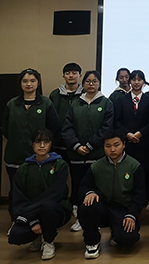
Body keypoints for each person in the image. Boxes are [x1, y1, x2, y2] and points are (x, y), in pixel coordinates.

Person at [78, 128, 144, 259]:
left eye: (116, 145)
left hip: (123, 209)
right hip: (103, 207)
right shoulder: (96, 166)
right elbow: (83, 188)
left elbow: (140, 195)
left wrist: (132, 214)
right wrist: (89, 192)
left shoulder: (134, 166)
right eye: (108, 146)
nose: (112, 149)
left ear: (123, 145)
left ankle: (116, 231)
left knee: (127, 240)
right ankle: (92, 242)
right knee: (87, 206)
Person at [62, 70, 113, 233]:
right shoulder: (76, 103)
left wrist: (91, 145)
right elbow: (67, 127)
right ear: (83, 83)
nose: (91, 84)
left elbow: (106, 128)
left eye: (95, 81)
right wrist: (76, 145)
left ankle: (95, 218)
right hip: (76, 156)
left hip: (97, 155)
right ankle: (80, 219)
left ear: (99, 83)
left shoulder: (106, 103)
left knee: (98, 188)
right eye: (88, 81)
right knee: (78, 187)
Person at [8, 129, 71, 260]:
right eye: (38, 142)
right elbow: (18, 197)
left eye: (46, 142)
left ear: (51, 144)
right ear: (32, 144)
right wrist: (33, 220)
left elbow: (55, 194)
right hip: (31, 213)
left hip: (55, 210)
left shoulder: (60, 165)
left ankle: (48, 241)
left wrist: (29, 214)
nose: (42, 146)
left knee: (48, 206)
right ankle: (37, 236)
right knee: (15, 235)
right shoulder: (24, 168)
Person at [2, 68, 58, 217]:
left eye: (32, 80)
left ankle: (36, 220)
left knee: (36, 190)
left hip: (39, 158)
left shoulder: (46, 103)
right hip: (14, 156)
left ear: (38, 83)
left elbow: (53, 129)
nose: (29, 84)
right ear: (20, 83)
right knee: (16, 191)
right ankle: (17, 220)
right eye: (25, 81)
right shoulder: (12, 104)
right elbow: (5, 129)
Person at [114, 70, 149, 211]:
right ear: (129, 81)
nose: (136, 82)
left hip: (145, 143)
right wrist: (128, 134)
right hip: (128, 143)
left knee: (144, 172)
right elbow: (117, 121)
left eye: (139, 79)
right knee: (127, 172)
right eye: (134, 79)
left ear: (144, 82)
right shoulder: (121, 100)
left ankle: (143, 200)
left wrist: (140, 133)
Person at [49, 62, 83, 161]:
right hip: (58, 143)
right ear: (63, 76)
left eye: (74, 73)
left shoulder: (86, 94)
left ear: (80, 76)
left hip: (79, 143)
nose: (71, 75)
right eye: (68, 73)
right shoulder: (55, 95)